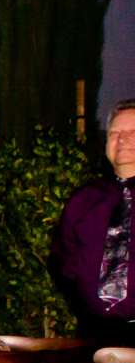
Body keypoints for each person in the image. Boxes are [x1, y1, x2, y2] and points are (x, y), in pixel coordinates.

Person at [52, 100, 135, 342]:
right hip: (94, 335)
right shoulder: (85, 199)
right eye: (115, 133)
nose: (122, 139)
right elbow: (62, 262)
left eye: (132, 132)